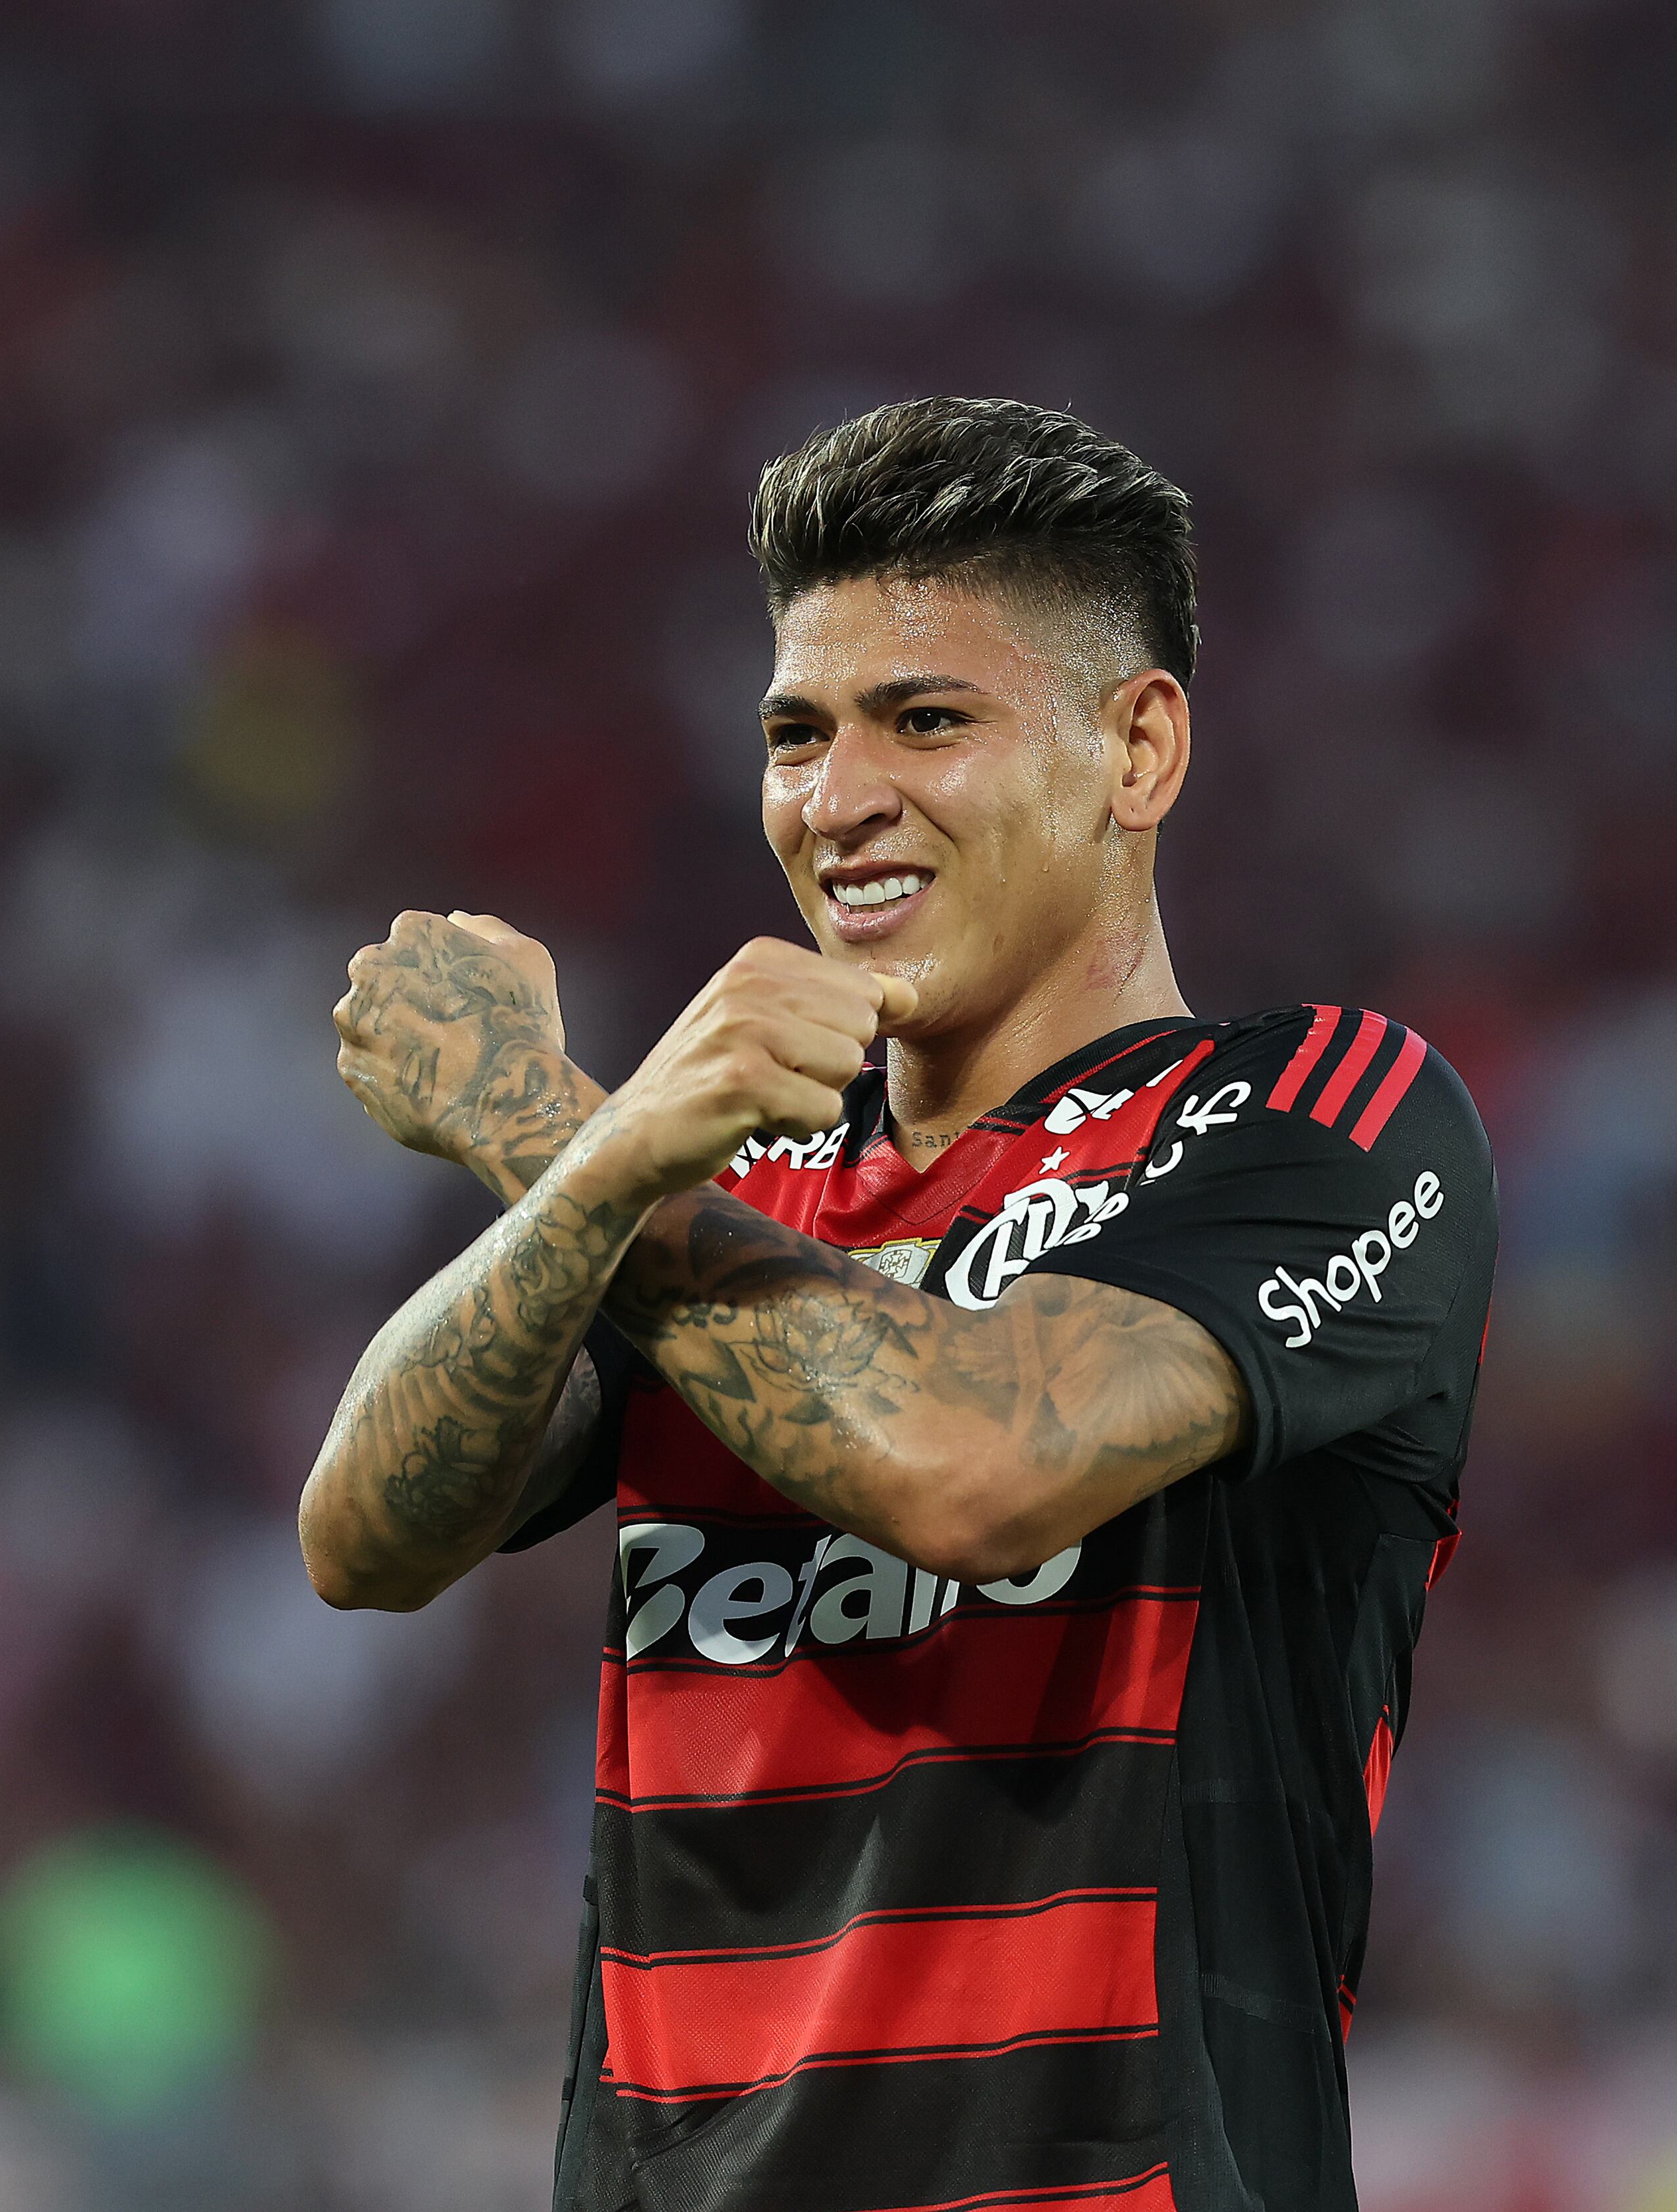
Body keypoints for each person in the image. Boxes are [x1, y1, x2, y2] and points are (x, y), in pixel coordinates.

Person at [301, 397, 1496, 2212]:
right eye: (798, 733)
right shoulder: (720, 1195)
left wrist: (546, 1119)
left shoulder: (1318, 1116)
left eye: (924, 719)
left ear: (1138, 748)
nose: (836, 797)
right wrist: (596, 1173)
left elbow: (968, 1467)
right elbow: (363, 1534)